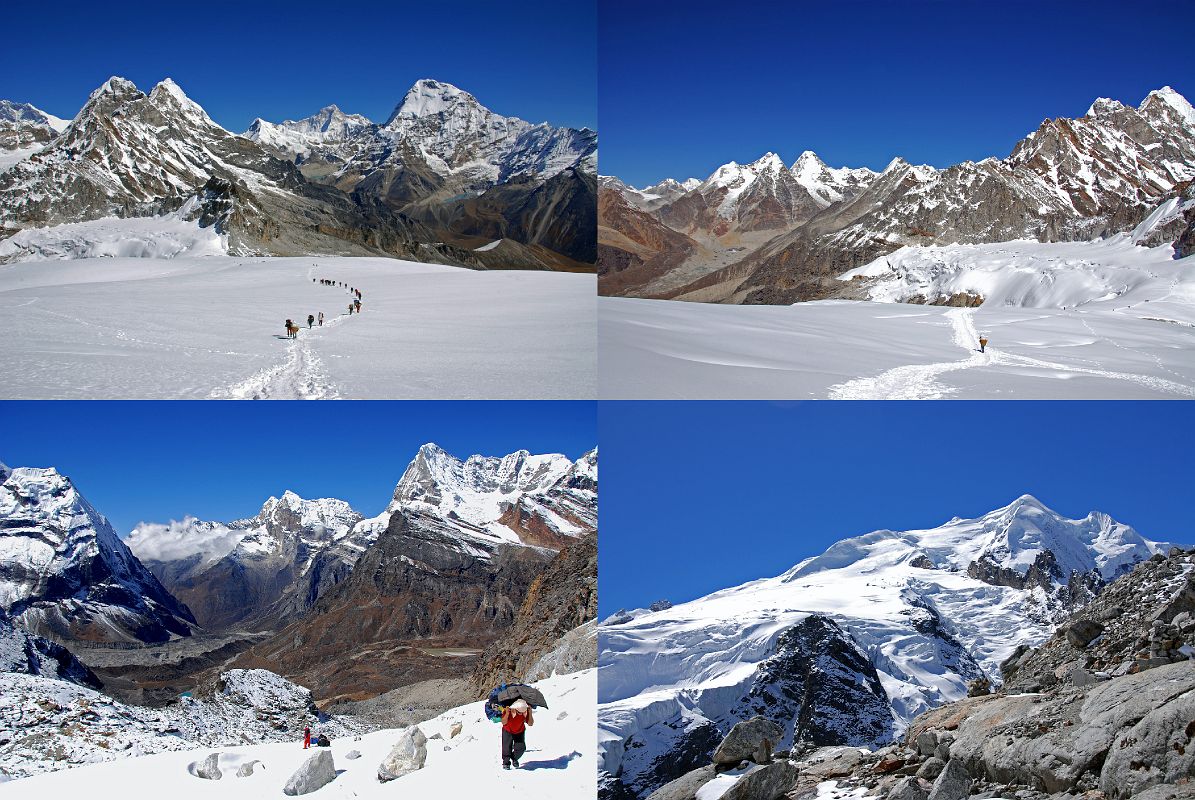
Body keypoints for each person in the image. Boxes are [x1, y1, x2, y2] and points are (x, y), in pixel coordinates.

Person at [500, 698, 533, 769]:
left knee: (521, 748)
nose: (521, 713)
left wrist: (530, 713)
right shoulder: (508, 710)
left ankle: (514, 758)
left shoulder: (525, 711)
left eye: (522, 711)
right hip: (508, 730)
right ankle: (506, 763)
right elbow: (503, 722)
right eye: (519, 712)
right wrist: (507, 714)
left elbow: (530, 723)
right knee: (506, 748)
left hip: (520, 731)